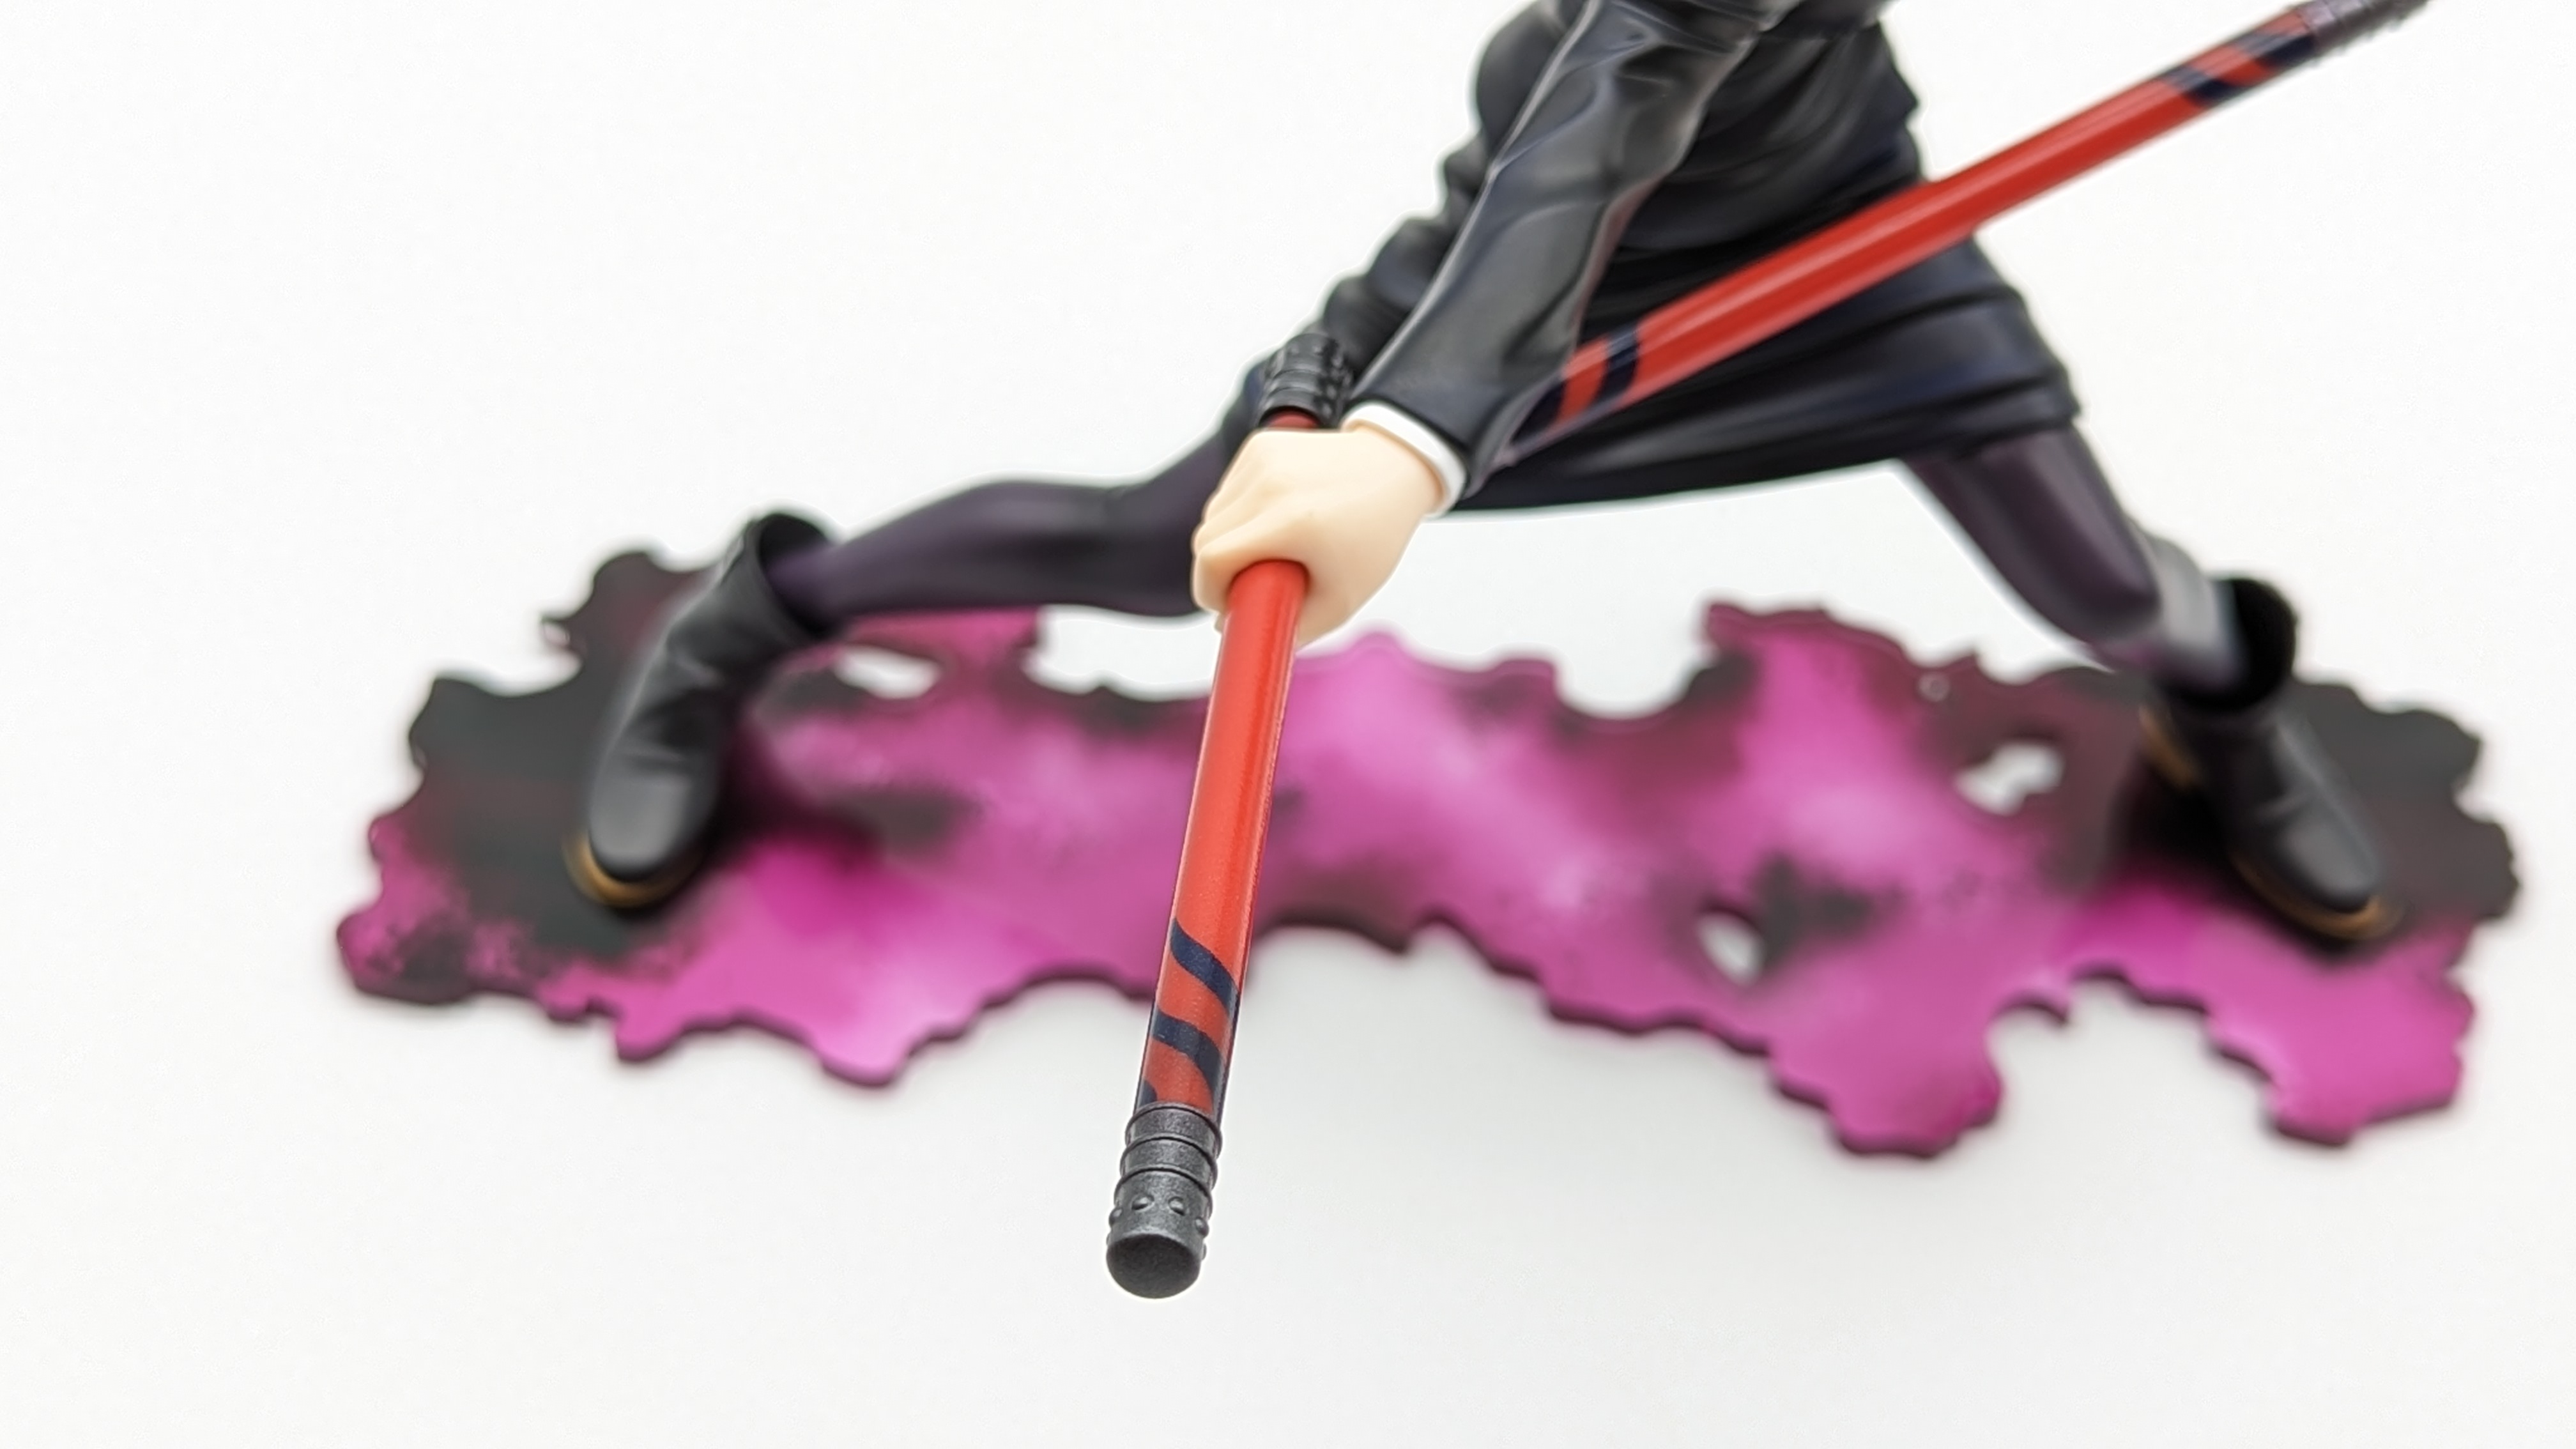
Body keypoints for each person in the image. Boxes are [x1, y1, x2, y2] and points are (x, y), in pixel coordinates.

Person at [568, 0, 2392, 939]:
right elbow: (1585, 149)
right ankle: (750, 621)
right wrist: (1407, 438)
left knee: (2102, 582)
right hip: (1526, 299)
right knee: (1159, 545)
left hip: (1853, 253)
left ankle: (2218, 712)